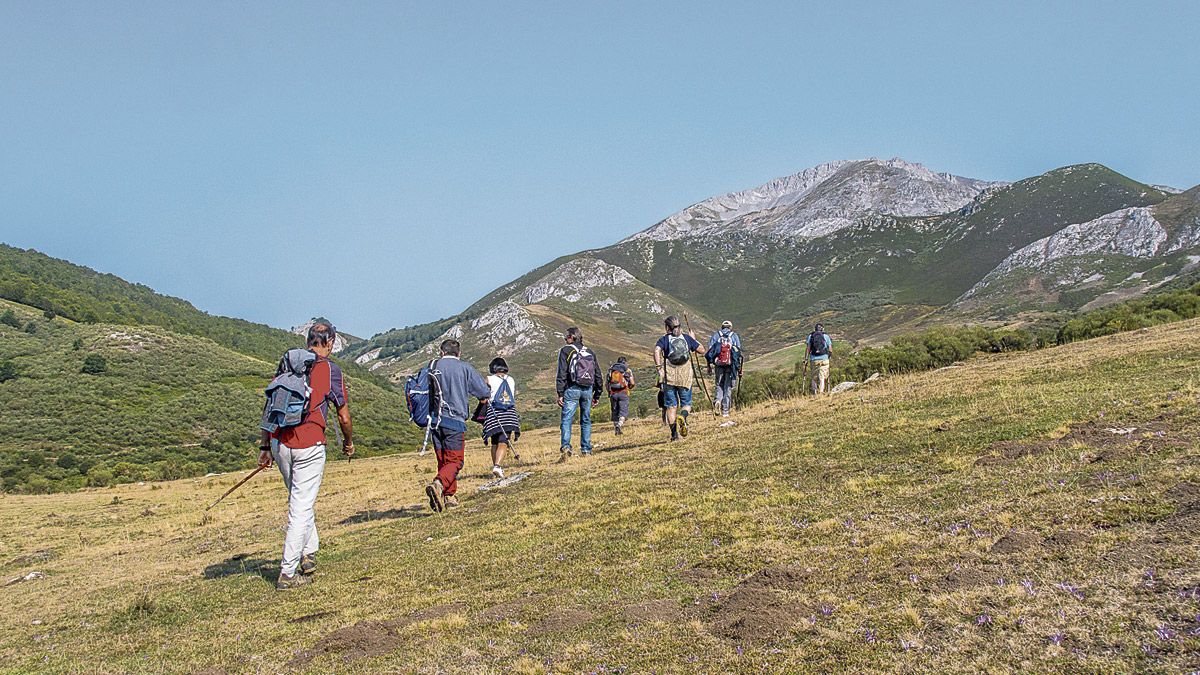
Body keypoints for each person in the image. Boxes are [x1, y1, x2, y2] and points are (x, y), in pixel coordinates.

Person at [258, 322, 353, 591]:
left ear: (308, 340)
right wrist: (348, 442)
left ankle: (309, 552)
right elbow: (343, 415)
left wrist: (265, 448)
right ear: (331, 342)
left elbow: (269, 407)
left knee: (299, 498)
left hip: (280, 442)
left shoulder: (289, 362)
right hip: (309, 443)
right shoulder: (330, 369)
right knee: (300, 506)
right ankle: (288, 572)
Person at [424, 339, 491, 512]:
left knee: (443, 460)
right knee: (456, 461)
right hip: (454, 420)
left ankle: (449, 497)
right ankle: (439, 485)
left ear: (441, 352)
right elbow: (483, 392)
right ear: (458, 353)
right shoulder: (464, 368)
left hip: (434, 421)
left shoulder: (432, 366)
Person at [654, 315, 705, 441]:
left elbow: (656, 351)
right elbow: (702, 350)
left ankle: (674, 435)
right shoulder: (687, 339)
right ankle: (683, 416)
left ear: (667, 328)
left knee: (671, 407)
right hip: (685, 376)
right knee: (686, 404)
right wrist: (694, 340)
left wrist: (659, 367)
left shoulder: (664, 340)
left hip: (669, 377)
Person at [555, 327, 603, 458]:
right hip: (588, 389)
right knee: (586, 419)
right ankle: (586, 449)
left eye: (567, 337)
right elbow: (597, 373)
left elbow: (562, 373)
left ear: (572, 337)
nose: (565, 339)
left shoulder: (566, 350)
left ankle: (566, 447)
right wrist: (597, 394)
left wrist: (560, 393)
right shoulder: (590, 352)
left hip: (572, 388)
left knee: (567, 419)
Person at [482, 357, 520, 479]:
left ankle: (496, 466)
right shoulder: (511, 380)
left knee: (495, 441)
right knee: (504, 441)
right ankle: (498, 466)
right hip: (509, 413)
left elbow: (483, 394)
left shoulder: (489, 379)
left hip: (494, 412)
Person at [705, 320, 743, 417]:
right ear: (730, 327)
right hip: (731, 365)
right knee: (728, 387)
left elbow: (710, 352)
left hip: (718, 364)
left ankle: (718, 400)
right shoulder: (734, 336)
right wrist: (739, 369)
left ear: (722, 327)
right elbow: (738, 353)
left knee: (719, 385)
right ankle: (725, 411)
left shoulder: (716, 335)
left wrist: (709, 366)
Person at [606, 356, 636, 435]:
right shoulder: (627, 370)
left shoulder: (611, 370)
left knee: (615, 411)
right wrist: (629, 387)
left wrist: (609, 392)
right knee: (623, 411)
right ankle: (619, 425)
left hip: (613, 393)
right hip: (623, 392)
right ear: (625, 362)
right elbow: (632, 383)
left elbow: (607, 383)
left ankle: (616, 428)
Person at [805, 323, 833, 394]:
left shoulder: (810, 336)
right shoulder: (826, 336)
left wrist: (806, 359)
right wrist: (828, 357)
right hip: (824, 359)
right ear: (822, 329)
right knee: (822, 376)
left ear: (815, 329)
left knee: (814, 377)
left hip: (813, 359)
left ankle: (814, 392)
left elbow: (808, 349)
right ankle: (821, 392)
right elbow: (830, 349)